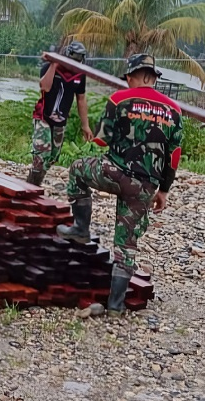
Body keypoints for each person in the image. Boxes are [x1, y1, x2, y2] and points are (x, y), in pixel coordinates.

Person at [54, 53, 183, 313]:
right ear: (153, 78)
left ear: (133, 77)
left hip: (115, 172)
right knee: (125, 245)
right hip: (145, 187)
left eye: (127, 78)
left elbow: (102, 139)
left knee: (78, 169)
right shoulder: (174, 110)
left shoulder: (119, 99)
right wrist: (164, 191)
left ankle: (80, 228)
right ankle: (115, 305)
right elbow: (174, 156)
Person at [26, 40, 94, 186]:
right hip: (43, 117)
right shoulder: (48, 68)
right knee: (41, 155)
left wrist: (85, 125)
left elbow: (81, 99)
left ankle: (35, 181)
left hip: (60, 121)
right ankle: (31, 186)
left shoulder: (79, 76)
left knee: (52, 157)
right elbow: (45, 87)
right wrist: (54, 65)